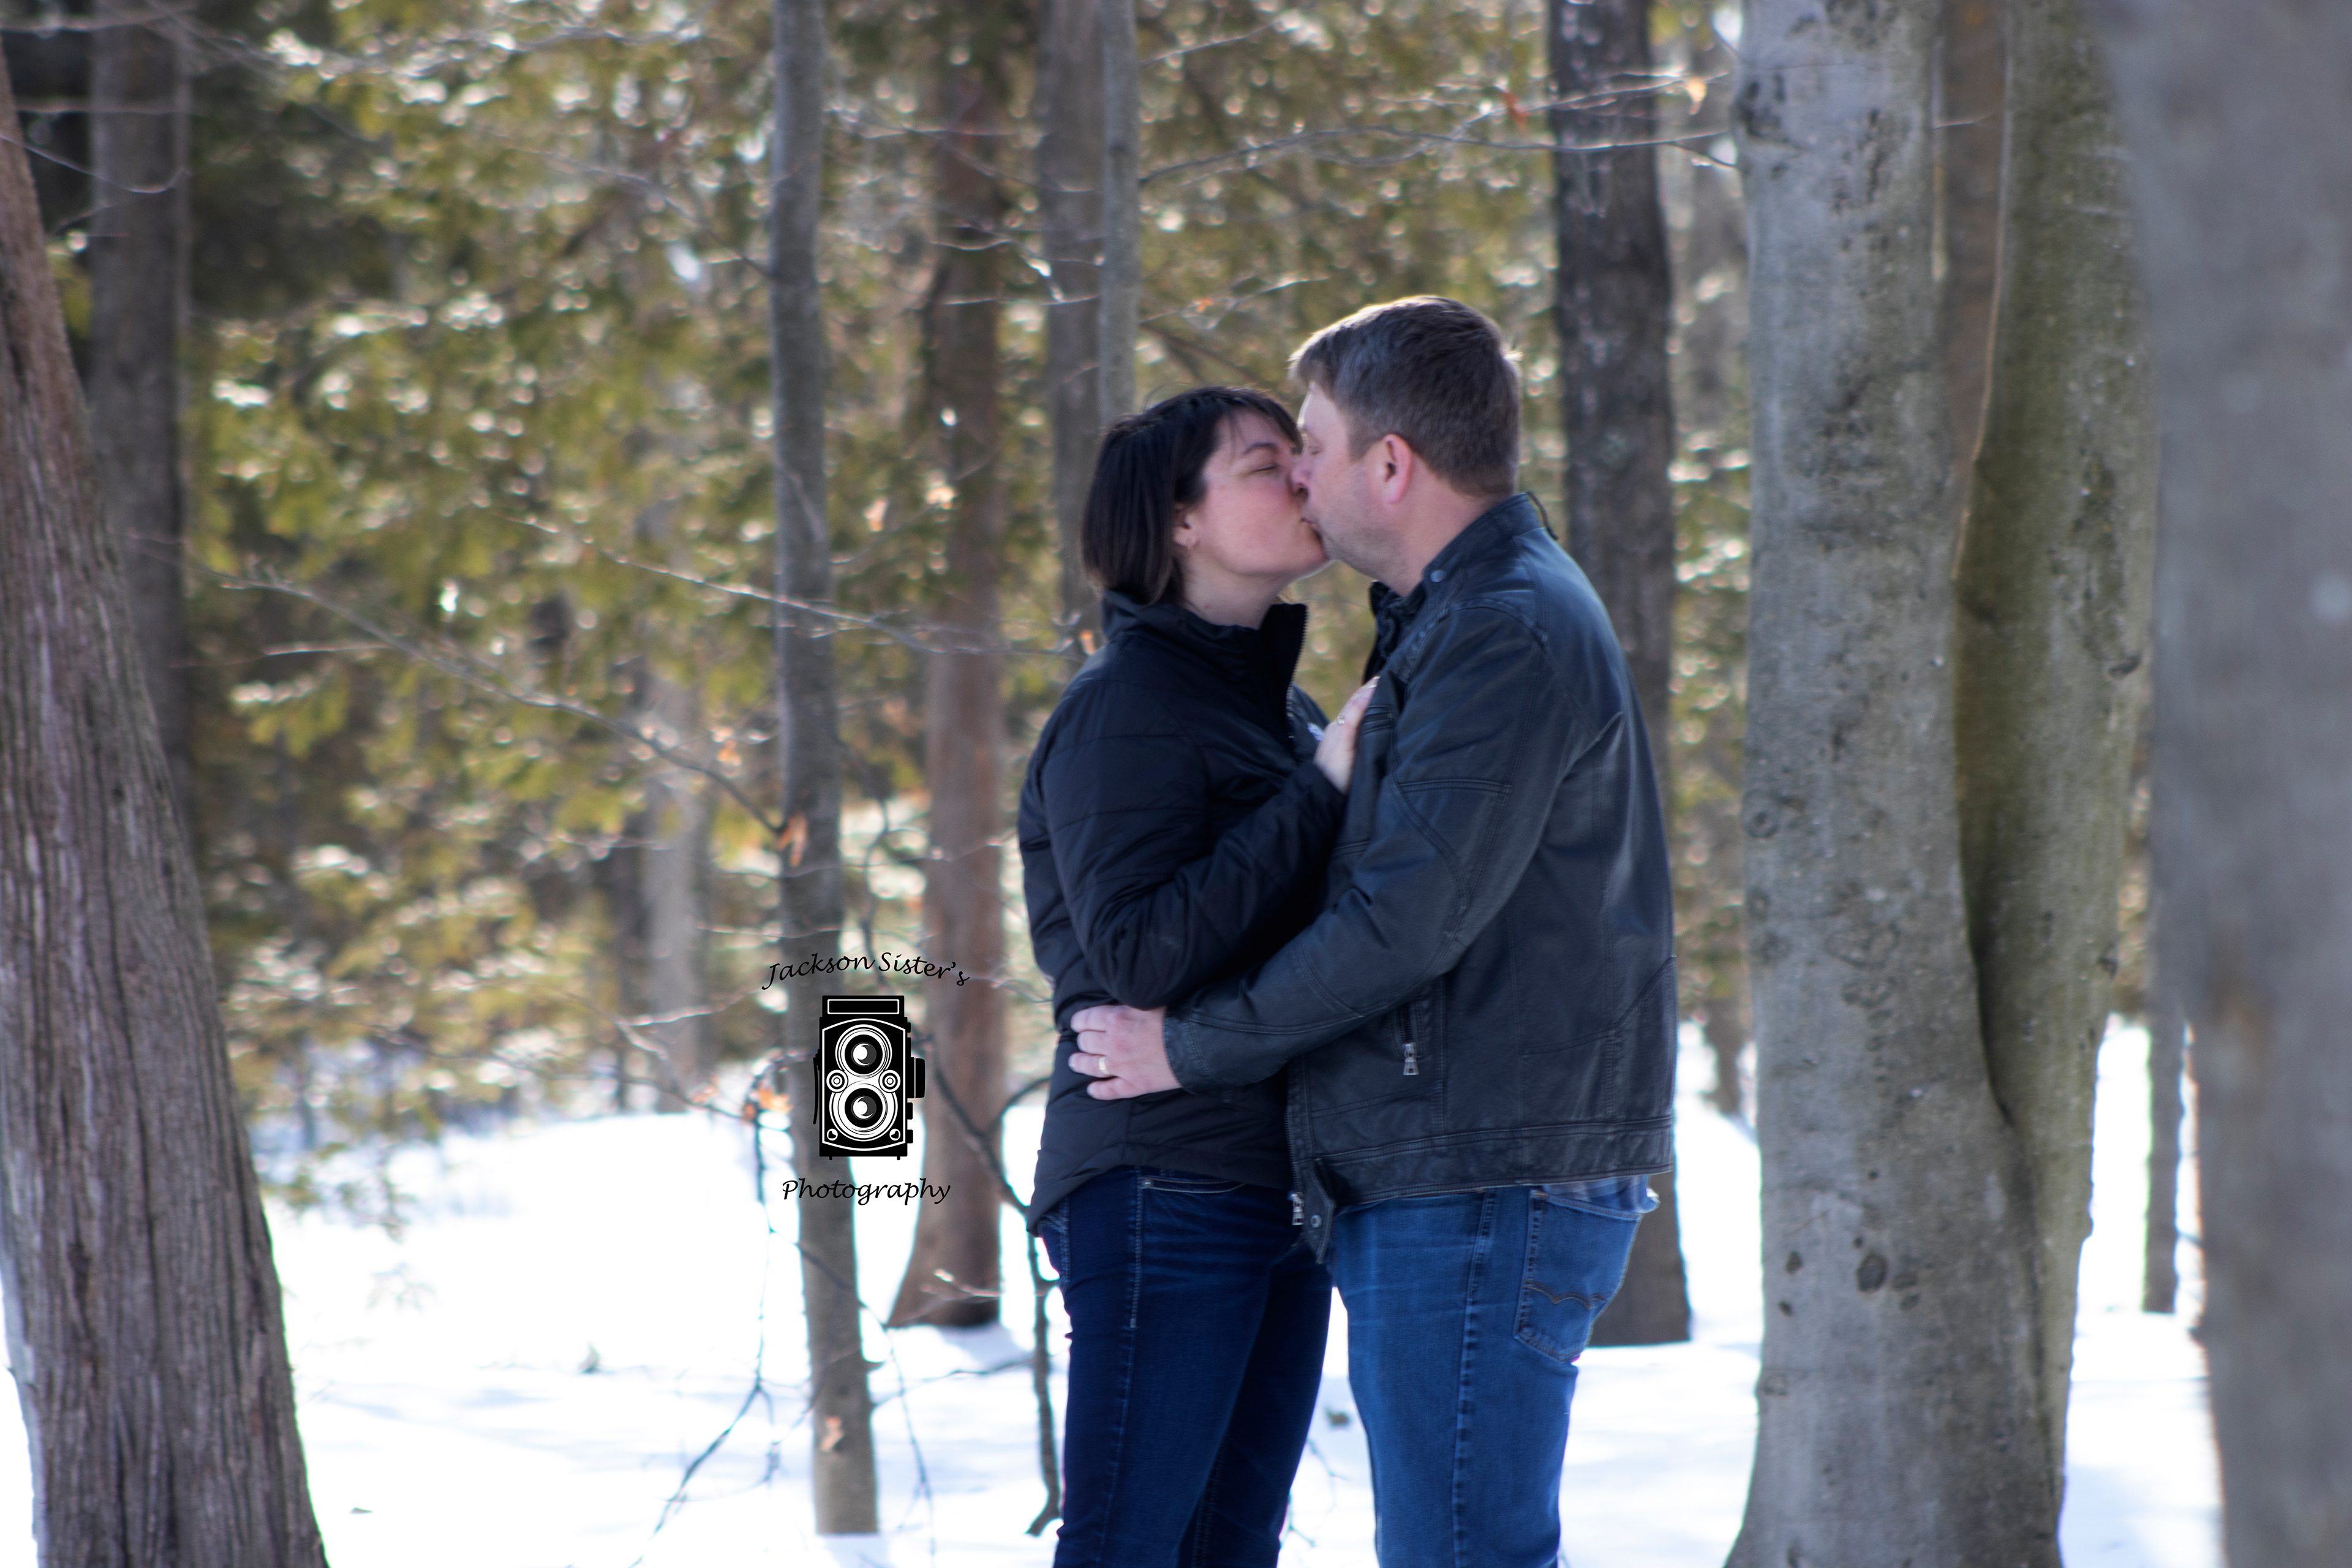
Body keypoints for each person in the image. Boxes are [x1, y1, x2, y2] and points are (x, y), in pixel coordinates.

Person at [1072, 298, 1676, 1568]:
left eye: (1310, 442)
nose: (1301, 471)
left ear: (1390, 464)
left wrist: (1192, 1045)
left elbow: (1400, 923)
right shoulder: (1448, 626)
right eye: (1274, 456)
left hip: (1477, 1172)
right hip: (1433, 1168)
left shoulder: (1498, 627)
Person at [1020, 385, 1378, 1568]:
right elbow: (1140, 954)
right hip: (1160, 1182)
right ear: (1179, 521)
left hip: (1275, 1187)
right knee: (1126, 1547)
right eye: (1265, 464)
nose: (1301, 479)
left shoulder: (1278, 710)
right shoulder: (1124, 709)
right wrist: (1320, 791)